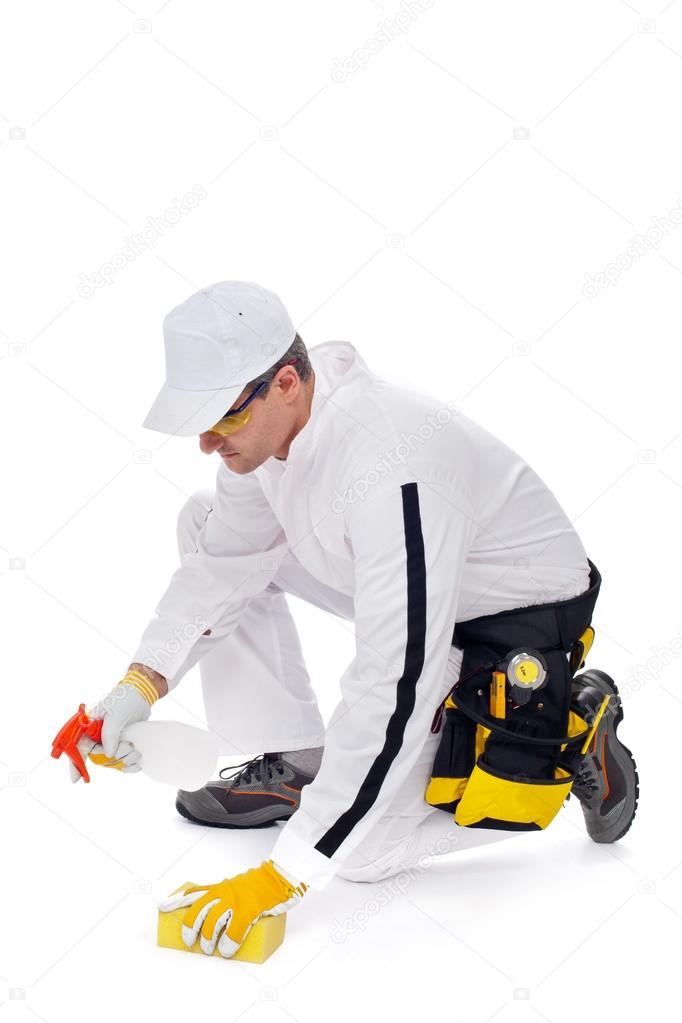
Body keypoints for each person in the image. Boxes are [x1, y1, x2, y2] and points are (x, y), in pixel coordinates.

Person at [74, 280, 638, 959]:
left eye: (220, 418)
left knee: (360, 849)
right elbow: (223, 564)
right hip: (427, 576)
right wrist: (139, 684)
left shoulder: (391, 466)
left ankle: (566, 731)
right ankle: (298, 759)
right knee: (205, 524)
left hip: (510, 618)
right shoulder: (266, 439)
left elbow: (392, 681)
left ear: (285, 381)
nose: (205, 442)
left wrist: (286, 871)